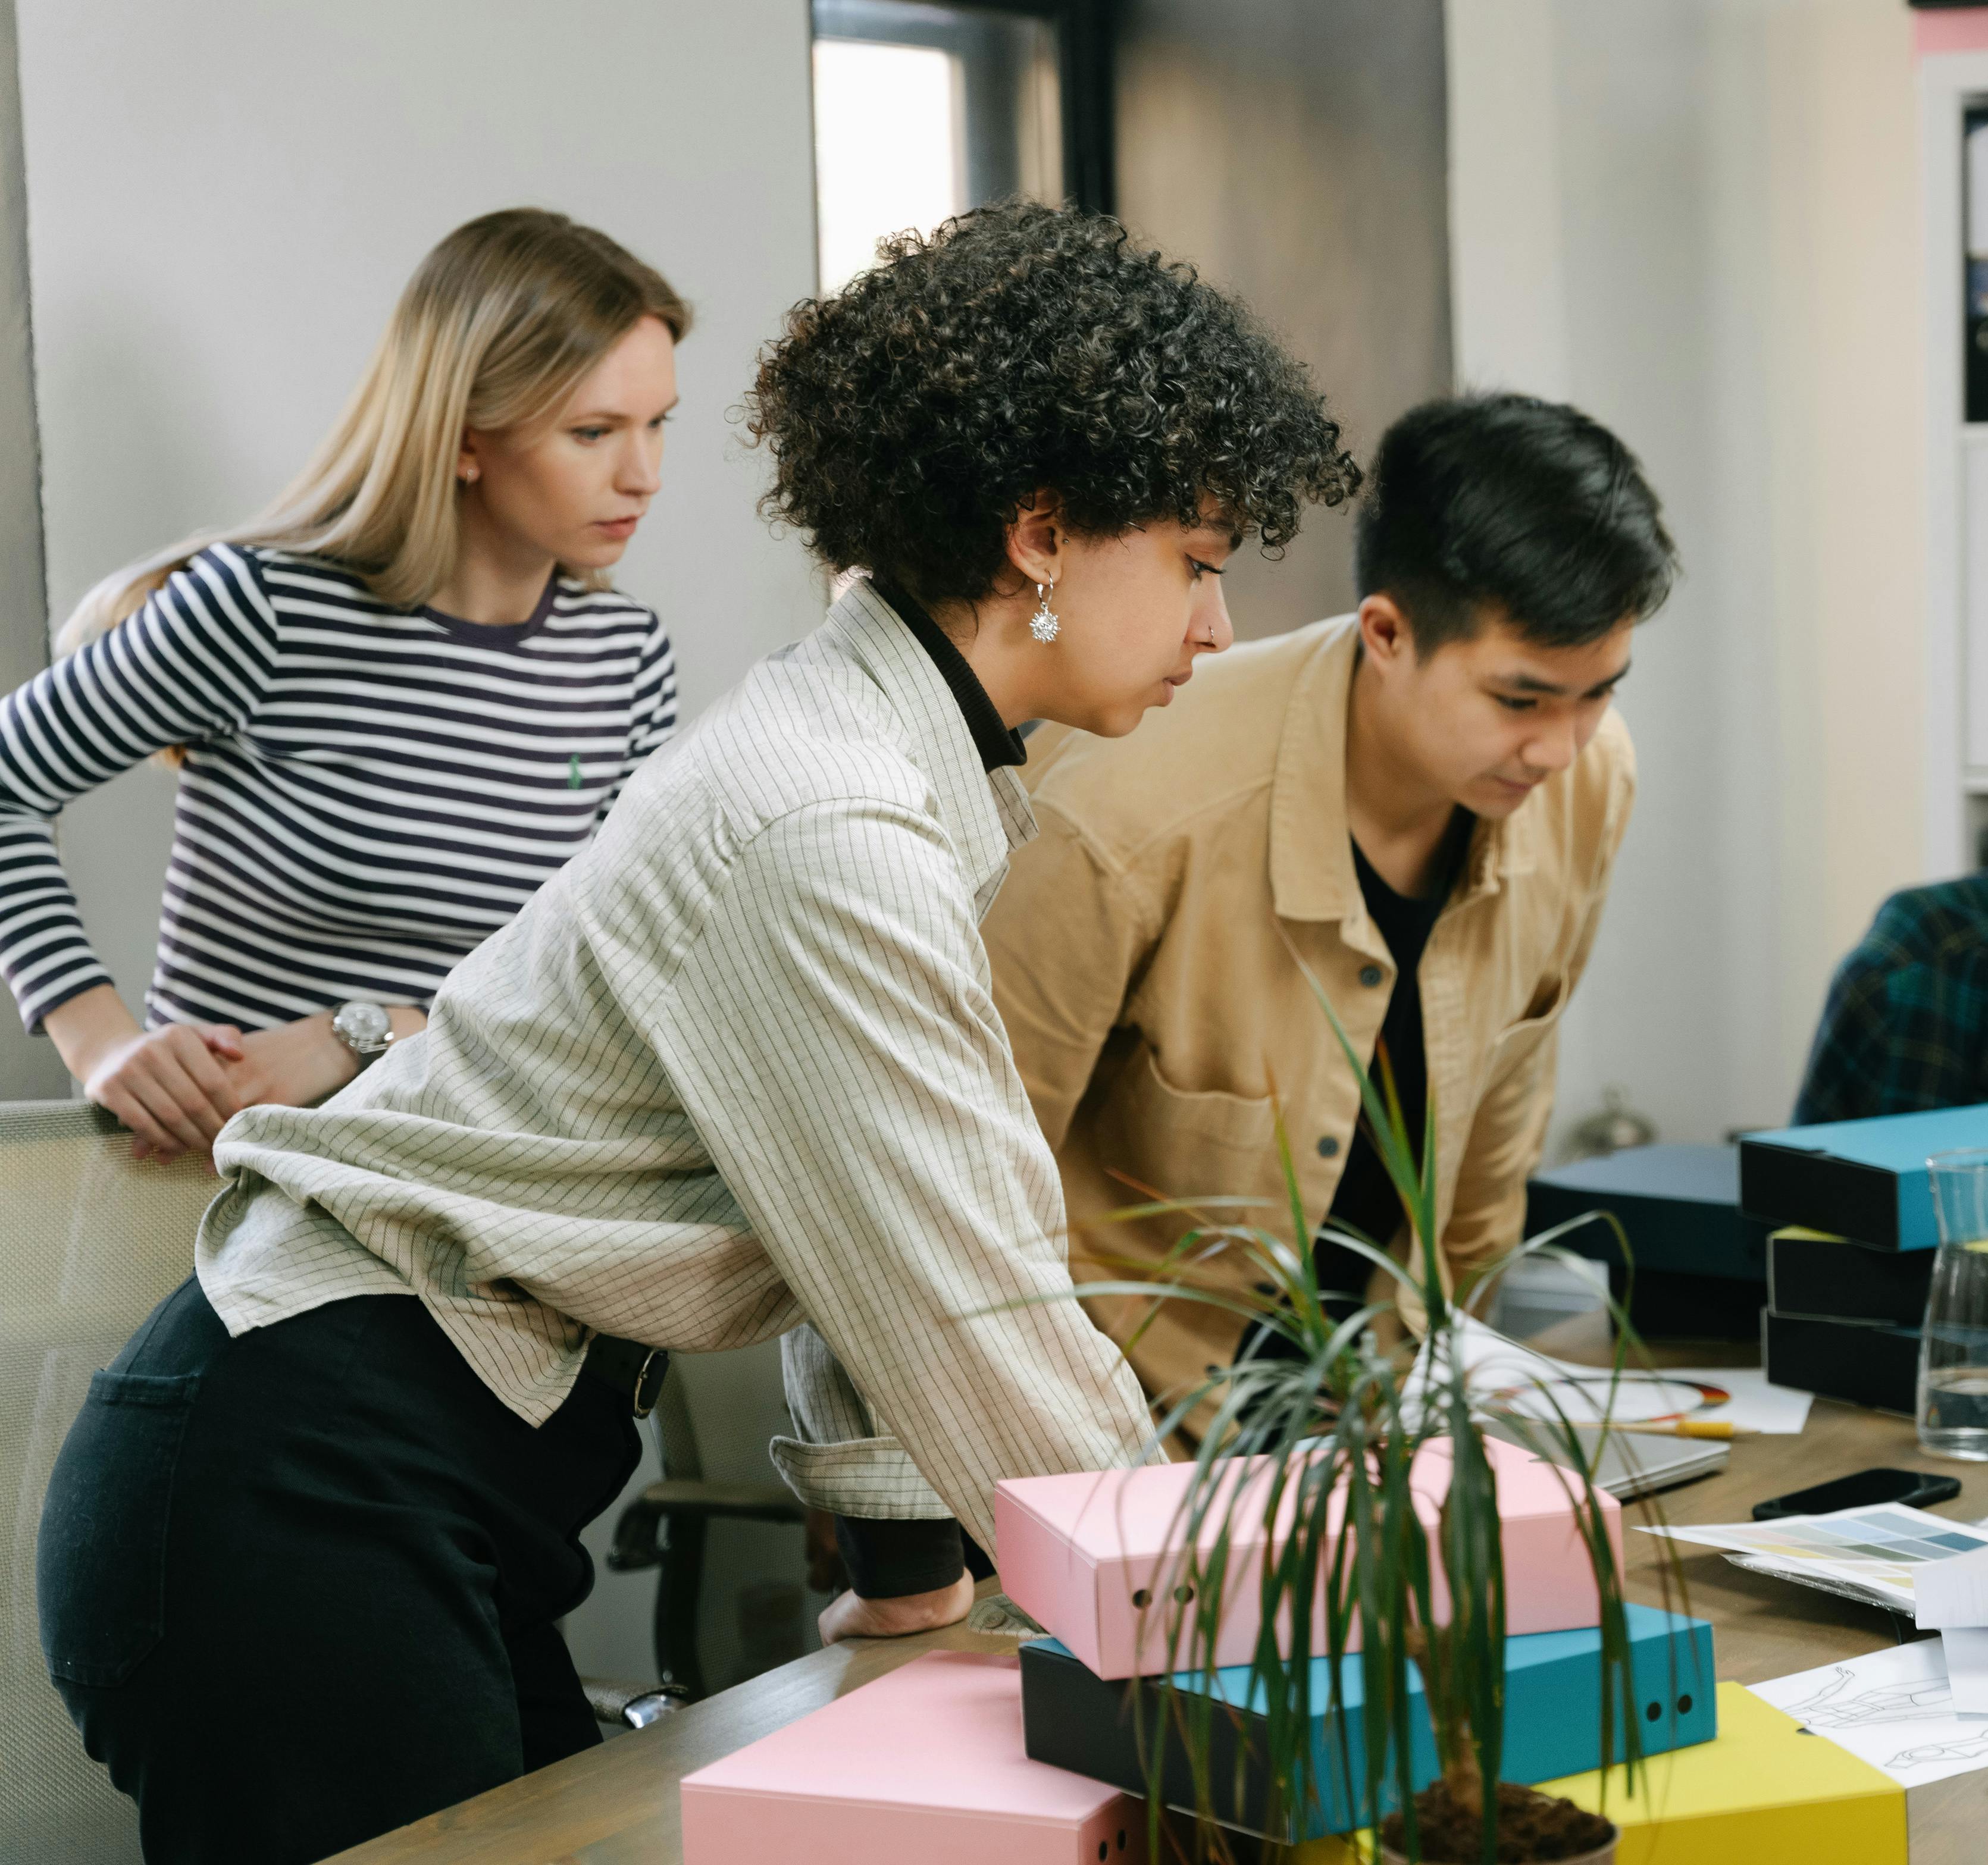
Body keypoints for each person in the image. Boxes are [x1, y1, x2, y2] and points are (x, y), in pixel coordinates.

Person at [37, 202, 1360, 1865]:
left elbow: (847, 1225)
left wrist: (907, 1587)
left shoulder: (868, 768)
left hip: (373, 1490)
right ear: (1039, 533)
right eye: (1195, 562)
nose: (1219, 629)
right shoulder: (830, 819)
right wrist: (1266, 1670)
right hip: (289, 1489)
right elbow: (975, 1302)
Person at [982, 391, 1675, 1408]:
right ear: (1387, 634)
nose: (1558, 748)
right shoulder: (1125, 804)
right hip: (1126, 1431)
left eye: (1599, 690)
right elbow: (964, 1193)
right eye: (1520, 700)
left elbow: (1498, 1132)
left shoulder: (1586, 776)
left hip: (1389, 1418)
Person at [0, 209, 685, 1162]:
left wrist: (361, 1032)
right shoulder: (265, 611)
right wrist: (100, 1040)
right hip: (212, 1203)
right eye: (594, 431)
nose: (644, 474)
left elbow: (602, 979)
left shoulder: (626, 657)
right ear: (462, 439)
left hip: (464, 1211)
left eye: (658, 425)